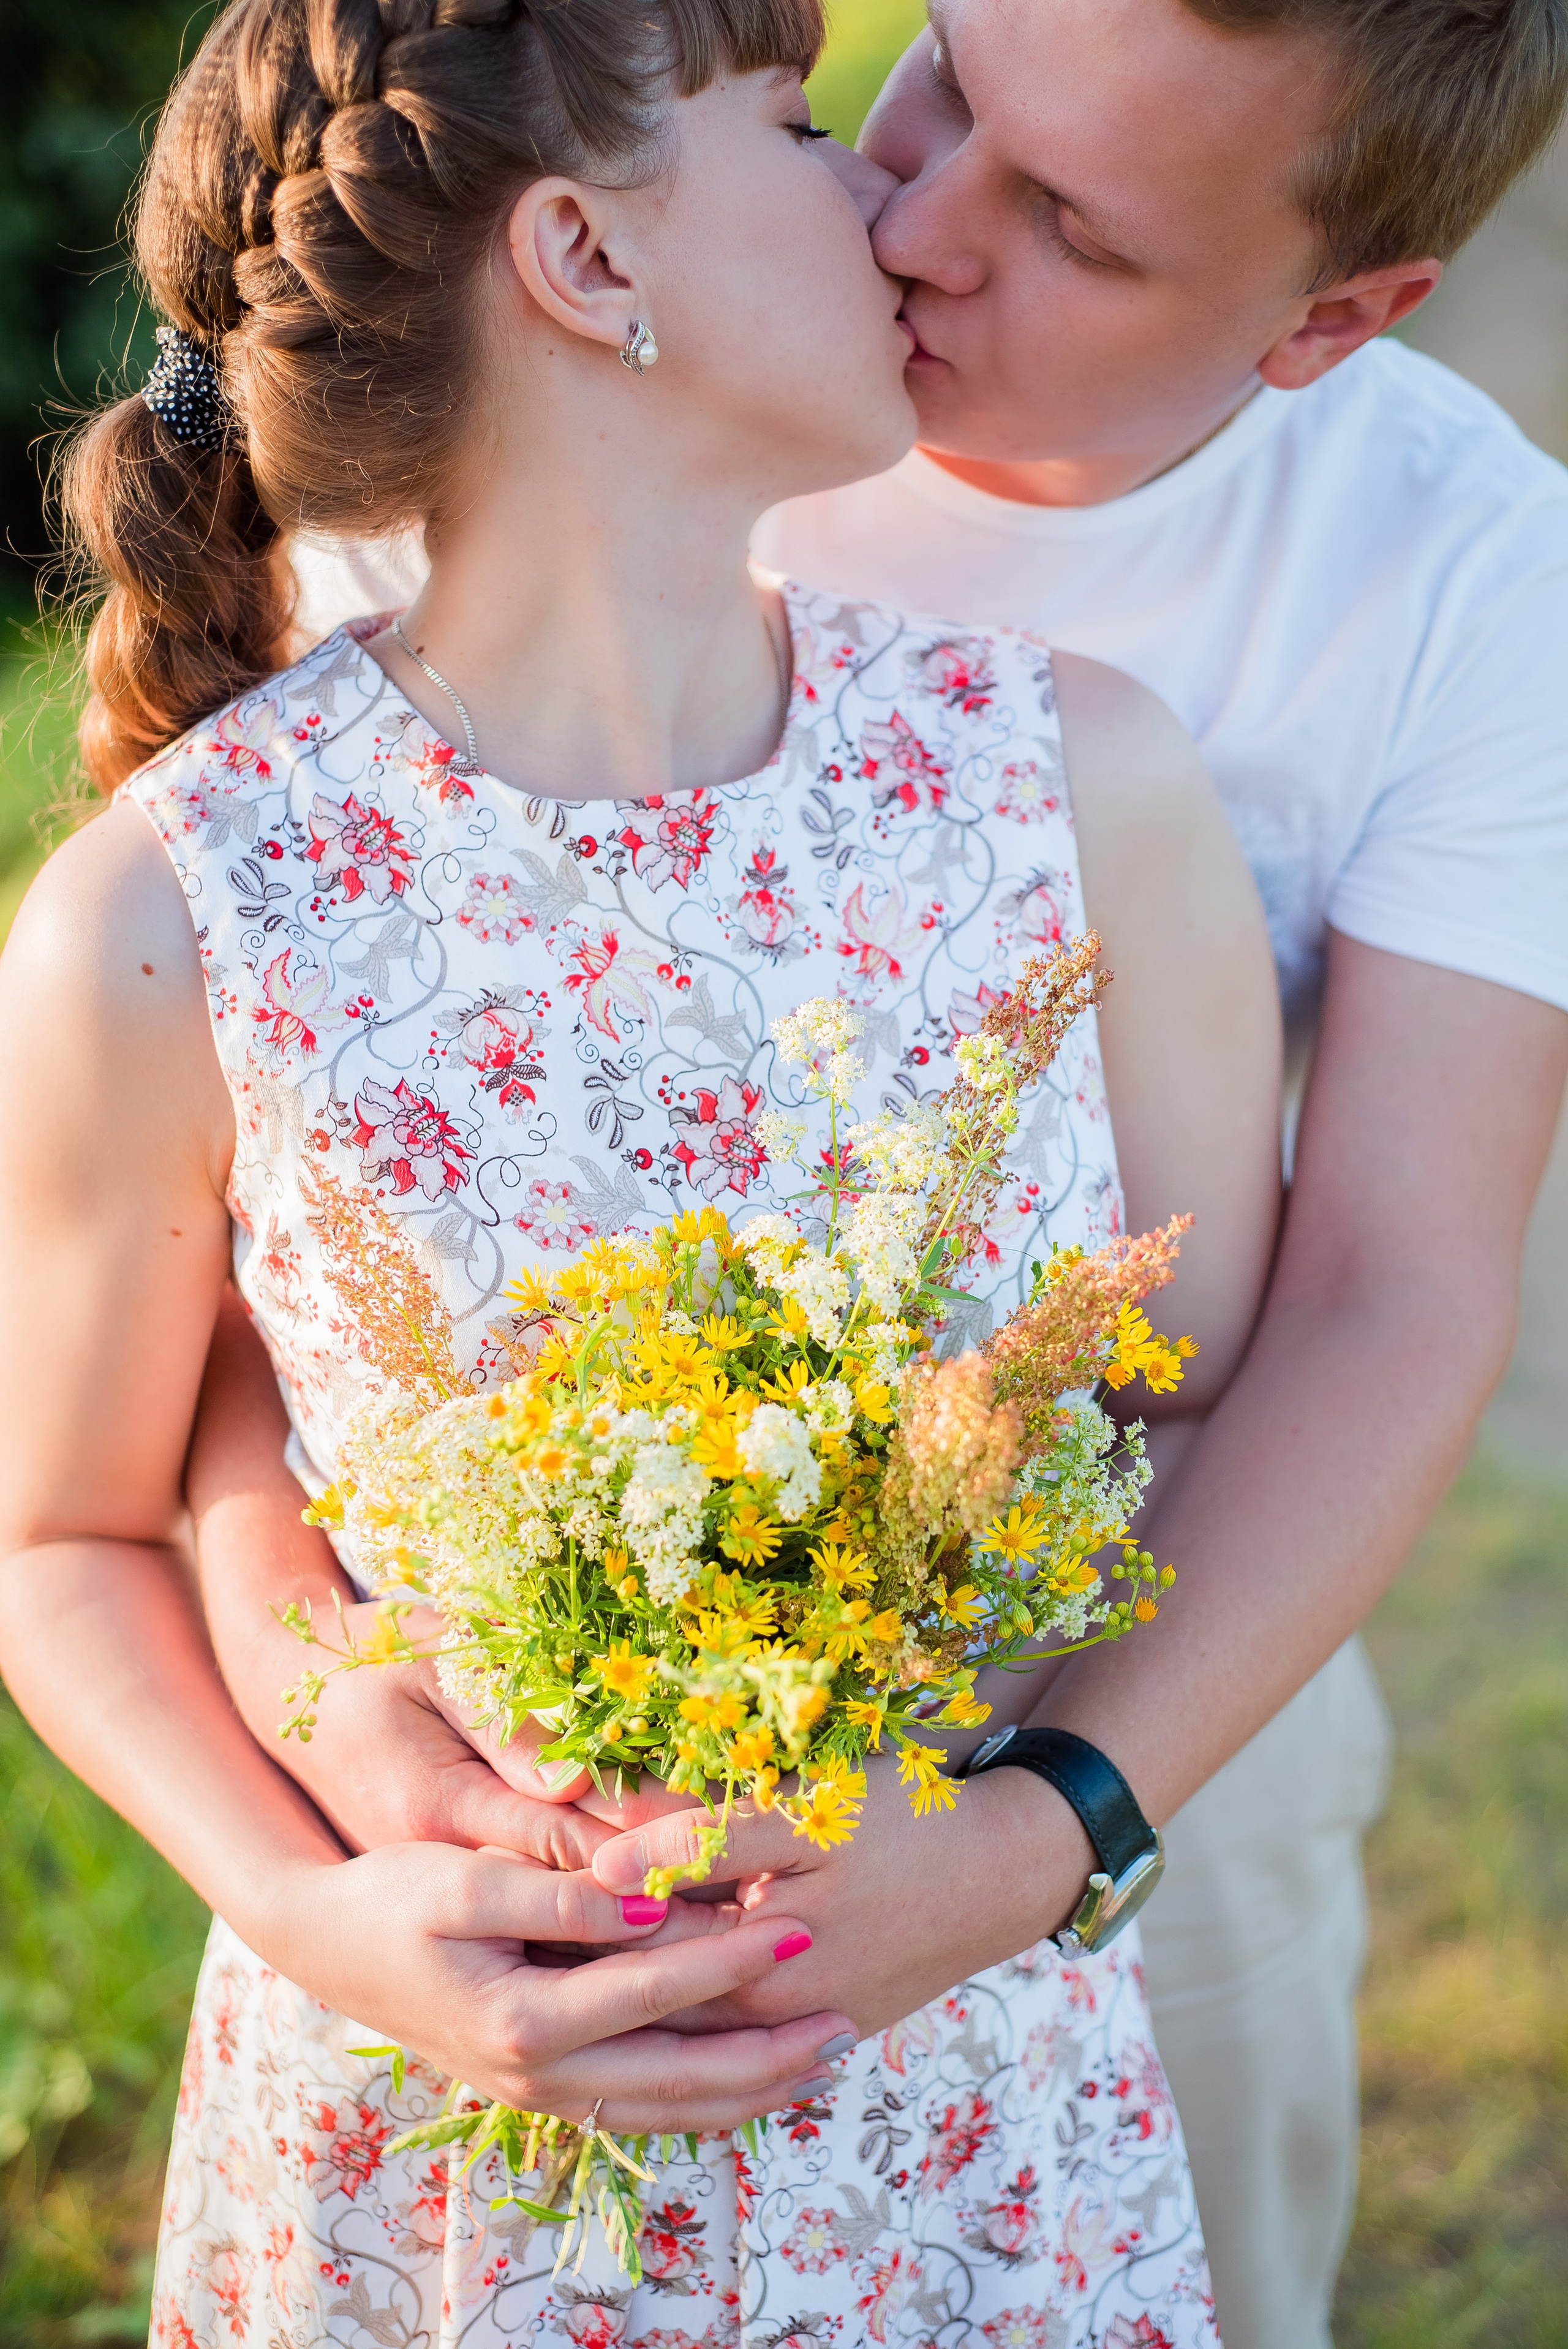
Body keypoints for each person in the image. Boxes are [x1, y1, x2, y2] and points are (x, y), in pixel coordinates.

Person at [0, 1, 1283, 2345]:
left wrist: (1017, 1826)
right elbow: (63, 1536)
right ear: (590, 260)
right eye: (796, 127)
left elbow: (1198, 1406)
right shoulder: (177, 908)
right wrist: (318, 1913)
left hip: (959, 2115)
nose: (888, 197)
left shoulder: (1075, 790)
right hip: (433, 2145)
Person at [293, 0, 1568, 2343]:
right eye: (951, 81)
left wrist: (1046, 1821)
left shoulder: (1467, 575)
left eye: (1071, 225)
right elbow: (249, 1215)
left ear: (1331, 319)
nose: (915, 222)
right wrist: (339, 1736)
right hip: (504, 1729)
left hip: (1160, 1667)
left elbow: (1395, 1283)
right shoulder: (595, 335)